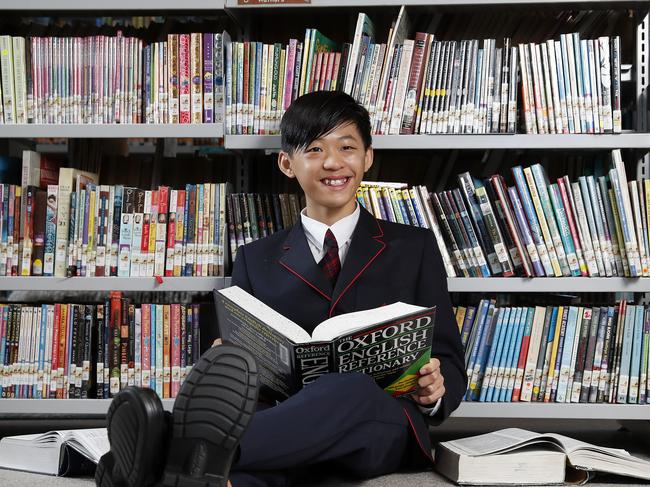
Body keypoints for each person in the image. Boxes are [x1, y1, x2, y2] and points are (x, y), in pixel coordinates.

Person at [96, 90, 466, 487]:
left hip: (379, 423)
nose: (333, 163)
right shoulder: (256, 259)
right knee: (258, 474)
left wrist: (436, 388)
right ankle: (189, 470)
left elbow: (446, 354)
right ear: (288, 164)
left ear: (368, 156)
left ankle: (168, 447)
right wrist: (230, 360)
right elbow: (243, 365)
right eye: (315, 150)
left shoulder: (414, 246)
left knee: (349, 389)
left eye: (347, 147)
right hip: (285, 425)